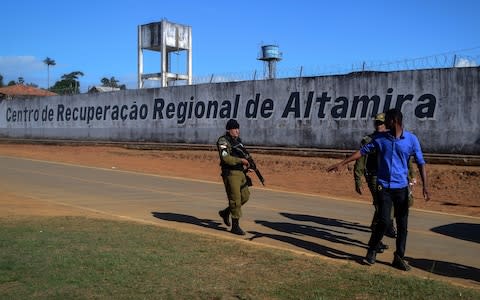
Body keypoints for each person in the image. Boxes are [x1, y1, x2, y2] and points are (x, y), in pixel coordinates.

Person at [328, 108, 430, 271]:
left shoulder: (411, 140)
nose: (383, 124)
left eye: (387, 120)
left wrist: (425, 185)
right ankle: (372, 249)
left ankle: (399, 257)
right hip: (384, 187)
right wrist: (342, 163)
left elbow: (420, 162)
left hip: (401, 189)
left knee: (402, 225)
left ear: (394, 121)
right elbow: (361, 153)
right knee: (383, 221)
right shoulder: (380, 139)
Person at [354, 113, 397, 241]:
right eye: (377, 123)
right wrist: (358, 179)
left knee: (390, 204)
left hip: (390, 176)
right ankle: (379, 237)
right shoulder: (368, 140)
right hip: (374, 176)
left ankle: (377, 226)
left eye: (382, 123)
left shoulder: (393, 139)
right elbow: (360, 160)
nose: (379, 125)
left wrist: (410, 175)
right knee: (381, 205)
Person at [216, 119, 251, 235]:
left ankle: (226, 212)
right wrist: (241, 160)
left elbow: (244, 154)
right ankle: (235, 226)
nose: (237, 131)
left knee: (245, 196)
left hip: (241, 173)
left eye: (238, 129)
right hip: (231, 173)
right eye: (235, 129)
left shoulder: (238, 141)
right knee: (235, 199)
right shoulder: (223, 141)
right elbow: (226, 158)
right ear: (229, 129)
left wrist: (248, 164)